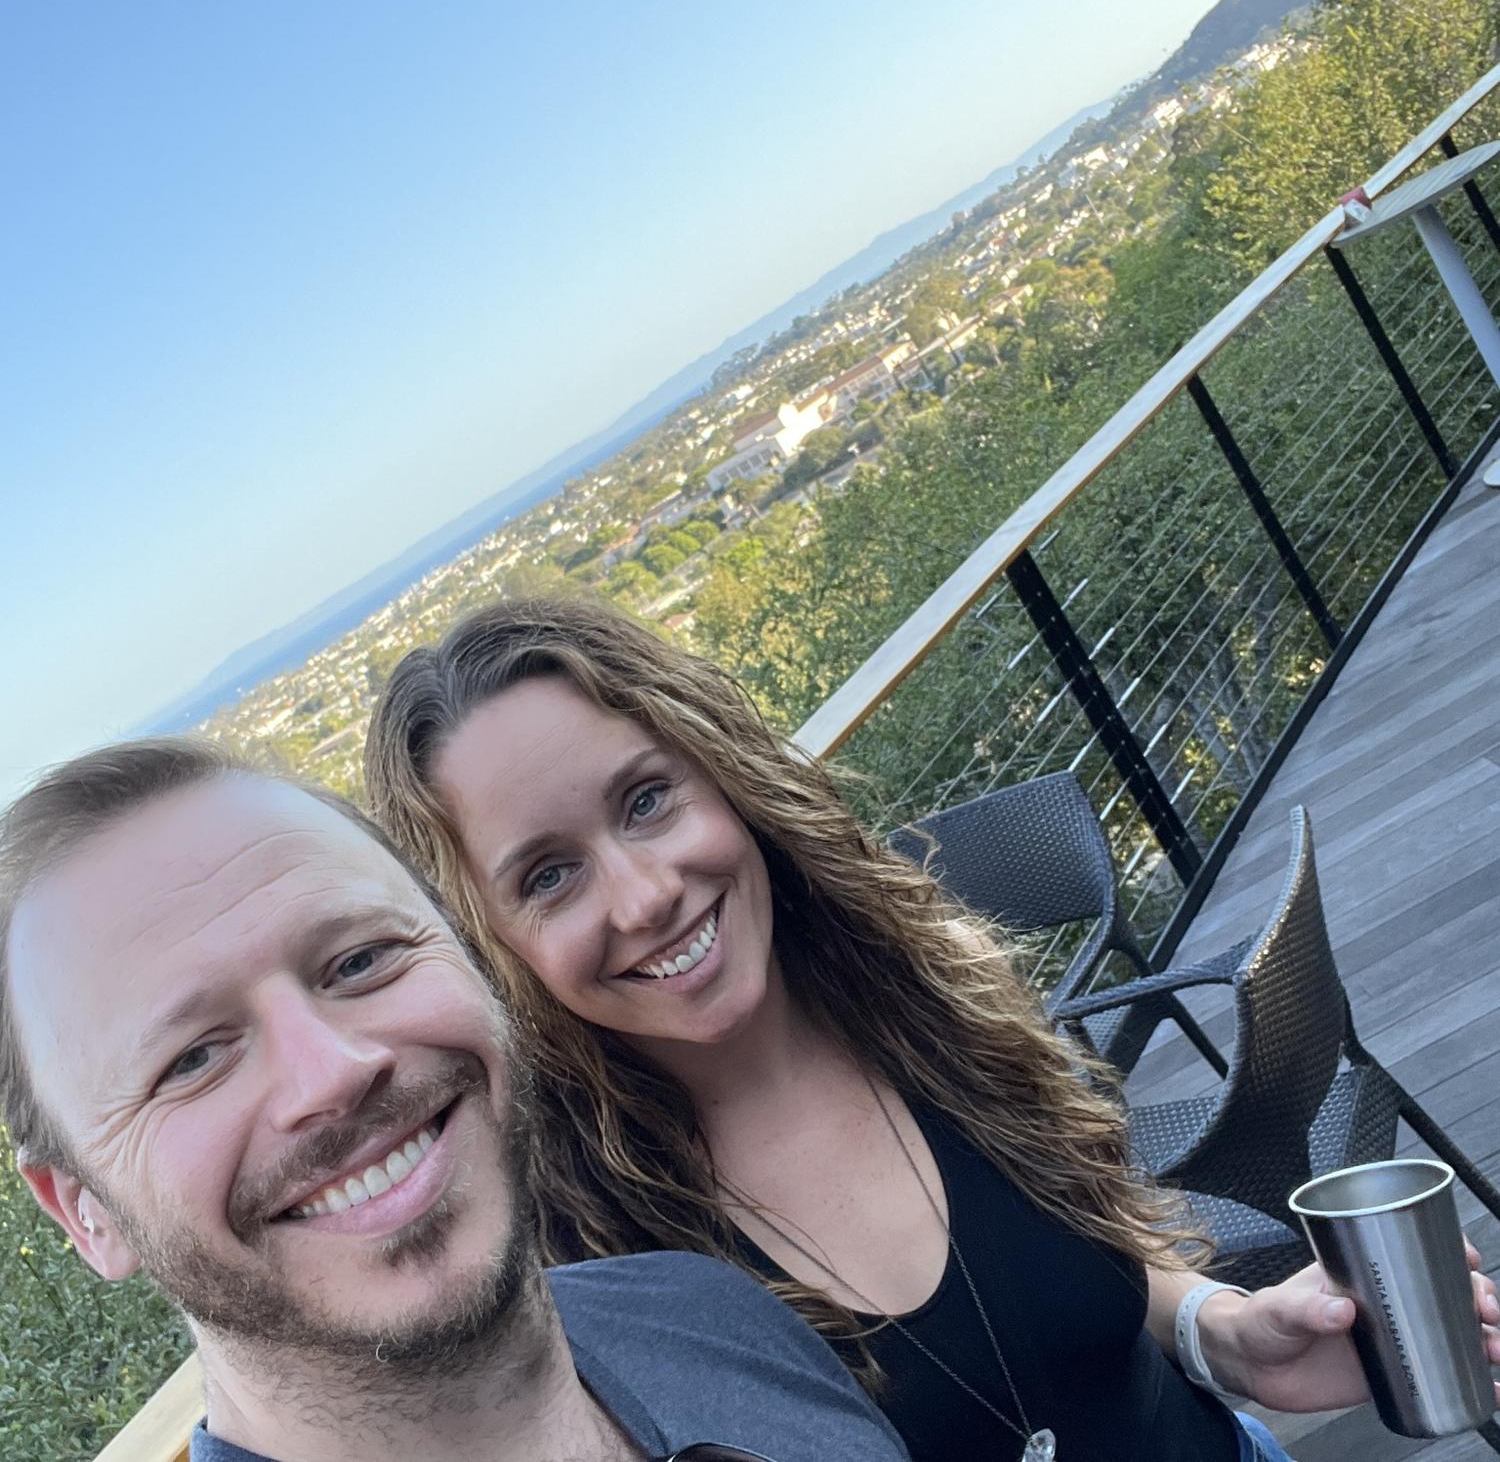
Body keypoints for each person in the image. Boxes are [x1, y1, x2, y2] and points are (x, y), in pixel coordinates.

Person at [365, 594, 1500, 1462]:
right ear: (490, 946)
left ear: (725, 776)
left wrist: (1227, 1333)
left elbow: (1088, 1246)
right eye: (549, 875)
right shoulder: (579, 1268)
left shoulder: (924, 994)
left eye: (647, 799)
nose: (645, 895)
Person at [0, 739, 913, 1462]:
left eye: (360, 960)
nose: (334, 1071)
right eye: (194, 1059)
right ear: (84, 1214)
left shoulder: (707, 1309)